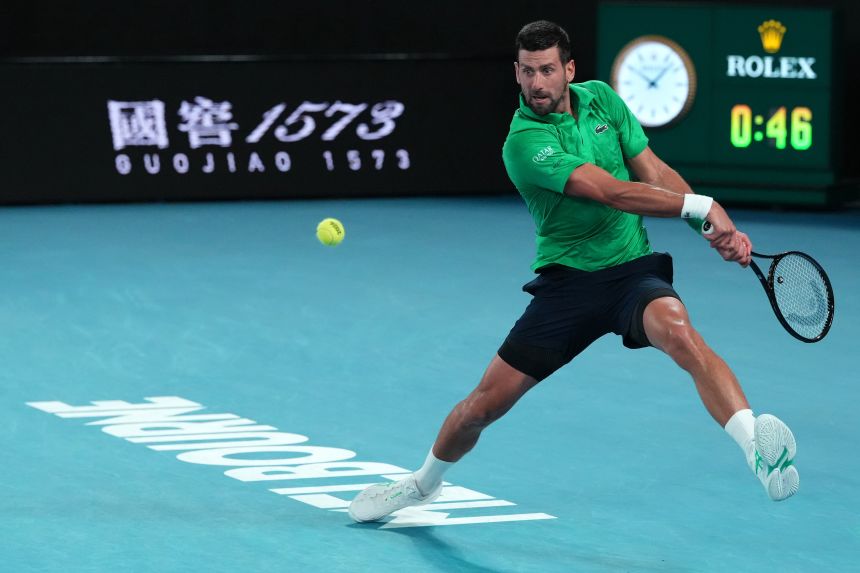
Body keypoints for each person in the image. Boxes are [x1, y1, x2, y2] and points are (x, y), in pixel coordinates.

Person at [348, 20, 798, 523]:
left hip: (631, 272)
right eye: (526, 72)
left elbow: (653, 172)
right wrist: (702, 205)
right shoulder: (523, 144)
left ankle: (755, 448)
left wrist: (712, 227)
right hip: (568, 289)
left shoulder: (602, 99)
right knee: (482, 408)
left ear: (569, 70)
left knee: (680, 333)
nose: (536, 84)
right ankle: (421, 483)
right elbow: (611, 190)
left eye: (545, 70)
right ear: (515, 73)